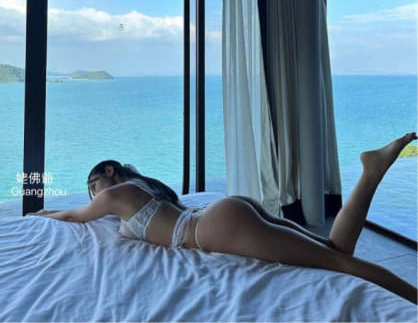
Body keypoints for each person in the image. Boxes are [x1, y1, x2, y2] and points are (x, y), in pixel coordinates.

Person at [25, 132, 418, 305]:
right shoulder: (147, 189)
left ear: (109, 171)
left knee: (338, 262)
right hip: (225, 213)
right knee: (337, 250)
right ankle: (371, 171)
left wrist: (42, 213)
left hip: (213, 227)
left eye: (93, 185)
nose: (94, 195)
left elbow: (75, 215)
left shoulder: (116, 194)